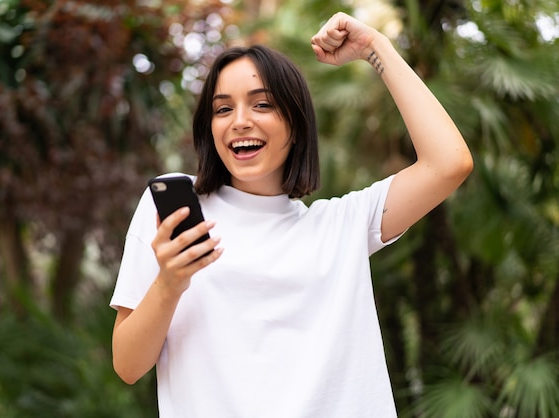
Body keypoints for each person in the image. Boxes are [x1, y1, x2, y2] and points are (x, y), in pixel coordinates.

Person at [110, 11, 473, 418]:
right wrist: (170, 283)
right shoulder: (176, 210)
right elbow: (127, 366)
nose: (240, 121)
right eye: (222, 109)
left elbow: (448, 163)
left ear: (296, 124)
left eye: (262, 104)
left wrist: (374, 46)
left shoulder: (342, 225)